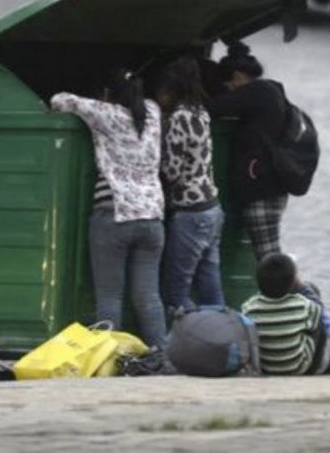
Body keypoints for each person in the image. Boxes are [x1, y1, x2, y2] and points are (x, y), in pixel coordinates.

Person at [51, 70, 168, 349]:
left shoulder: (105, 113)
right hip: (152, 217)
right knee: (149, 296)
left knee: (110, 297)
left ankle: (110, 359)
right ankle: (162, 355)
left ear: (107, 94)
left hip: (114, 214)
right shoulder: (152, 111)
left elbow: (59, 100)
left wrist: (96, 102)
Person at [205, 41, 290, 261]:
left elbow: (211, 109)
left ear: (238, 76)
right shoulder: (269, 90)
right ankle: (294, 292)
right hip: (269, 185)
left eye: (229, 85)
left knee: (268, 257)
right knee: (268, 254)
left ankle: (302, 294)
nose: (229, 91)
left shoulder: (257, 91)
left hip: (262, 188)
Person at [155, 57, 226, 315]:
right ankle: (222, 341)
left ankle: (182, 346)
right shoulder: (201, 113)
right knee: (210, 286)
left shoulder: (179, 118)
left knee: (176, 293)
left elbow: (172, 170)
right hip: (212, 208)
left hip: (190, 212)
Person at [241, 252, 330, 376]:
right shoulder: (303, 305)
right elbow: (319, 310)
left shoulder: (249, 307)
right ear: (293, 284)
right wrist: (302, 286)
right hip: (301, 367)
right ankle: (326, 365)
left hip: (266, 368)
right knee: (325, 320)